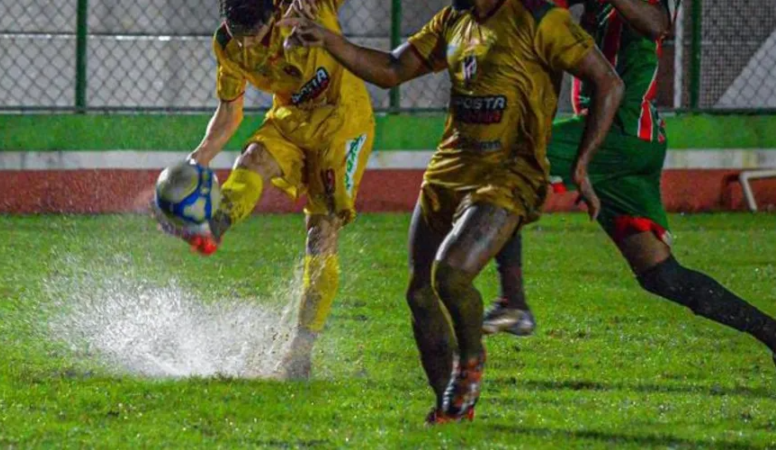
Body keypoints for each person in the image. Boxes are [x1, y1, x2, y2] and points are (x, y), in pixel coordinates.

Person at [280, 0, 624, 422]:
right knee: (419, 292)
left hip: (509, 173)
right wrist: (329, 40)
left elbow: (609, 82)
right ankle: (451, 407)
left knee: (452, 273)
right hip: (448, 172)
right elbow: (391, 69)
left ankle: (471, 363)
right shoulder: (453, 19)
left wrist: (584, 163)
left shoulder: (539, 18)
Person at [482, 0, 776, 368]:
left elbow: (658, 24)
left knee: (504, 156)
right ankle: (771, 333)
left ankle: (513, 301)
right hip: (627, 143)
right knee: (661, 276)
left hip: (621, 133)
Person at [154, 0, 375, 380]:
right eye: (236, 36)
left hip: (342, 120)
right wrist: (197, 161)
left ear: (273, 16)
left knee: (321, 233)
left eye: (251, 37)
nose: (243, 46)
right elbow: (229, 113)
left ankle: (300, 352)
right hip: (290, 117)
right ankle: (214, 226)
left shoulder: (309, 7)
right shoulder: (227, 43)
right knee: (253, 157)